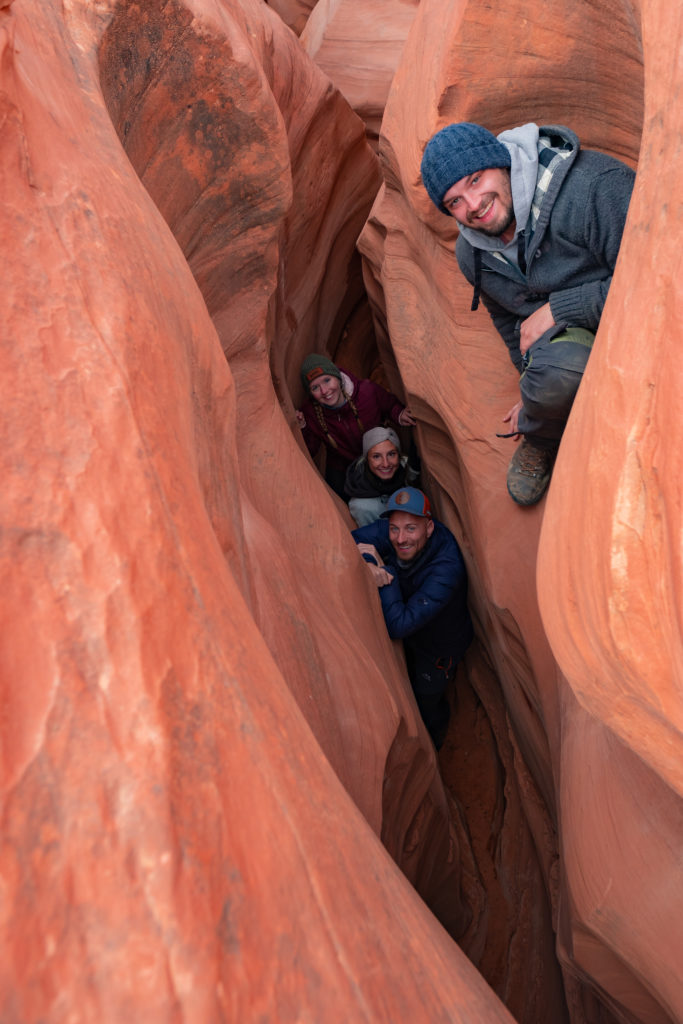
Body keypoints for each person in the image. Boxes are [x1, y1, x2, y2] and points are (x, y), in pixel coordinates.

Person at [420, 121, 635, 505]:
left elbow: (656, 277)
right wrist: (536, 390)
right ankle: (544, 434)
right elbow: (507, 322)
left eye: (474, 180)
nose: (473, 206)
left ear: (499, 161)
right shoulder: (472, 253)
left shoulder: (594, 188)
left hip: (634, 317)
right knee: (553, 375)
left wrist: (558, 308)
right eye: (454, 202)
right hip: (572, 341)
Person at [352, 486, 473, 749]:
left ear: (429, 528)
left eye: (410, 529)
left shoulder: (446, 569)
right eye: (394, 528)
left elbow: (399, 625)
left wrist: (383, 572)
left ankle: (435, 738)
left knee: (425, 698)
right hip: (414, 628)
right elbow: (355, 540)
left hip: (437, 650)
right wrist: (368, 563)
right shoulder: (398, 532)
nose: (400, 538)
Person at [297, 354, 416, 497]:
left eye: (327, 380)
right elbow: (311, 449)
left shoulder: (366, 392)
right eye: (315, 387)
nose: (324, 391)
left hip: (377, 455)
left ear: (338, 377)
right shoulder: (311, 413)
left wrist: (399, 414)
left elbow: (389, 405)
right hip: (341, 465)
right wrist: (303, 427)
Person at [344, 427, 419, 526]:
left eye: (391, 454)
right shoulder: (363, 507)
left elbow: (411, 475)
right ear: (367, 460)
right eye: (376, 456)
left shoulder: (402, 468)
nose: (386, 464)